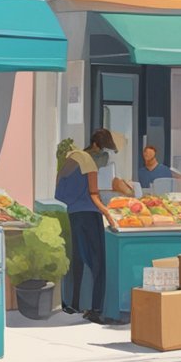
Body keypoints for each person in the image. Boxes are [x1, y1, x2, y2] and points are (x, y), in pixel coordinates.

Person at [58, 129, 121, 323]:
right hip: (90, 215)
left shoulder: (70, 160)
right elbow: (94, 195)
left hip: (73, 214)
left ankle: (73, 304)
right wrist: (109, 214)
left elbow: (59, 191)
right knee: (97, 263)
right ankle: (95, 309)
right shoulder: (88, 163)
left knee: (78, 260)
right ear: (96, 146)